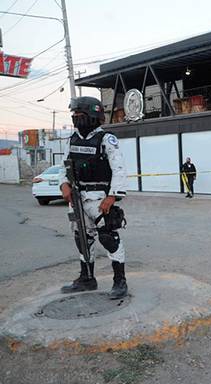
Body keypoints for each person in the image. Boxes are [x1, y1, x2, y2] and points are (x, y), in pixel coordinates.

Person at [59, 96, 129, 299]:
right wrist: (64, 186)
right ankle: (87, 278)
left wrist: (113, 197)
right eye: (74, 115)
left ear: (92, 115)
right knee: (82, 238)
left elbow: (119, 170)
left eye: (80, 115)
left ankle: (120, 281)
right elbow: (65, 167)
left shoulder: (106, 139)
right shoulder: (72, 139)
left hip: (100, 198)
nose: (76, 118)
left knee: (108, 237)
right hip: (78, 198)